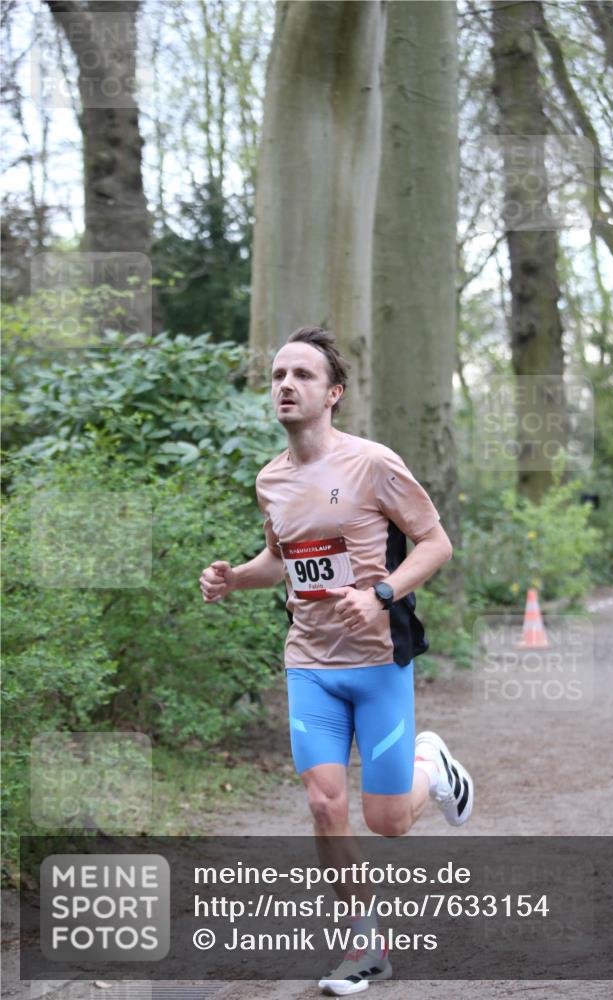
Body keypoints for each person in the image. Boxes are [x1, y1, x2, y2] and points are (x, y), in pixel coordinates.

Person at [199, 326, 473, 996]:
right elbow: (280, 561)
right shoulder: (271, 479)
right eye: (277, 376)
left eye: (301, 376)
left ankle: (429, 764)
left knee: (386, 821)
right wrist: (234, 577)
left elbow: (434, 545)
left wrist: (382, 593)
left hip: (377, 661)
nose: (285, 385)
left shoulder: (373, 463)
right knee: (325, 804)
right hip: (309, 661)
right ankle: (364, 948)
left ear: (333, 393)